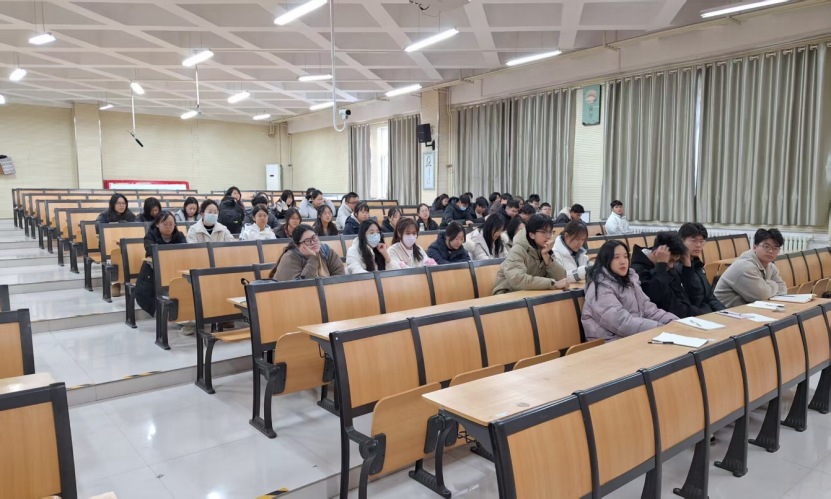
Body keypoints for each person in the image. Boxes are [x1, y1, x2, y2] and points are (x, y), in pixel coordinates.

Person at [581, 241, 677, 341]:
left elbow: (649, 310)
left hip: (631, 337)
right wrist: (660, 327)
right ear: (606, 260)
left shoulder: (631, 281)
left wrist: (674, 322)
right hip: (609, 342)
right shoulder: (600, 287)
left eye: (625, 256)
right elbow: (621, 323)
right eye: (616, 257)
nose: (623, 261)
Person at [631, 231, 706, 319]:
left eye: (675, 261)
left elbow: (692, 298)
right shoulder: (637, 270)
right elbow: (657, 297)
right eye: (670, 261)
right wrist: (661, 265)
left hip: (686, 314)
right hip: (665, 319)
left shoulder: (667, 265)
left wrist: (687, 267)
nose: (671, 266)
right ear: (656, 253)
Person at [492, 214, 569, 294]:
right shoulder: (517, 250)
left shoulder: (545, 249)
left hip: (530, 294)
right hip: (507, 293)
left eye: (550, 232)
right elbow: (518, 280)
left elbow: (561, 278)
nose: (548, 236)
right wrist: (552, 284)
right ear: (532, 235)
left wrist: (546, 256)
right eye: (544, 232)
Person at [715, 228, 788, 307]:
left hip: (748, 309)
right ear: (755, 247)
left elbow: (783, 289)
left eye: (775, 248)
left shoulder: (770, 266)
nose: (771, 251)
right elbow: (762, 296)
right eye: (766, 246)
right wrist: (774, 284)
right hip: (725, 311)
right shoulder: (745, 267)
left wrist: (766, 286)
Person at [676, 223, 726, 313]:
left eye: (701, 241)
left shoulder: (698, 265)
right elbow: (687, 303)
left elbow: (710, 297)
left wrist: (726, 312)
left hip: (705, 311)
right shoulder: (675, 267)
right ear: (681, 241)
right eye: (693, 241)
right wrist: (708, 315)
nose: (698, 245)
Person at [269, 224, 344, 280]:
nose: (313, 242)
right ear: (297, 246)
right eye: (307, 241)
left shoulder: (326, 251)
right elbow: (303, 287)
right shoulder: (290, 258)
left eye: (314, 237)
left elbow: (340, 276)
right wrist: (312, 258)